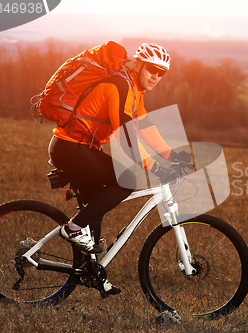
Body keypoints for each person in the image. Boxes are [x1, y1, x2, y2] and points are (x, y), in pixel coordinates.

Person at [48, 43, 190, 296]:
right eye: (152, 69)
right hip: (71, 148)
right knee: (128, 180)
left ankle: (90, 271)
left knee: (95, 210)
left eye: (162, 72)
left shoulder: (134, 90)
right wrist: (153, 165)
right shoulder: (120, 85)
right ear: (137, 65)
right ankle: (72, 228)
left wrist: (170, 154)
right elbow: (124, 133)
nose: (156, 76)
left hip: (83, 148)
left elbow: (144, 125)